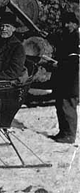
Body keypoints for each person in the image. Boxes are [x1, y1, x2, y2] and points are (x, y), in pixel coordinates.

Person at [43, 12, 79, 144]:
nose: (66, 25)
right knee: (60, 106)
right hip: (63, 79)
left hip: (71, 80)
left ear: (75, 24)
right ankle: (63, 132)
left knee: (68, 107)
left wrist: (59, 64)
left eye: (69, 22)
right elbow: (59, 42)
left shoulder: (77, 37)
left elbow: (75, 59)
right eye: (64, 22)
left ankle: (69, 135)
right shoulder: (67, 36)